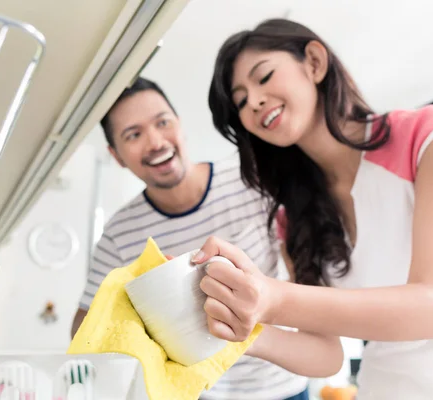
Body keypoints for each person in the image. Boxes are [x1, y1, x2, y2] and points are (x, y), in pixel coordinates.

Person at [193, 18, 433, 399]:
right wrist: (241, 328)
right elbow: (325, 354)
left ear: (315, 62)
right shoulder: (292, 220)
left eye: (264, 77)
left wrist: (273, 298)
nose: (253, 102)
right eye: (240, 102)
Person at [71, 77, 326, 400]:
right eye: (133, 135)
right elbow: (83, 329)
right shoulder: (119, 233)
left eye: (162, 123)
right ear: (116, 155)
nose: (155, 142)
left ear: (180, 125)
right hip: (200, 393)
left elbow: (310, 294)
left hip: (283, 386)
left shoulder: (253, 182)